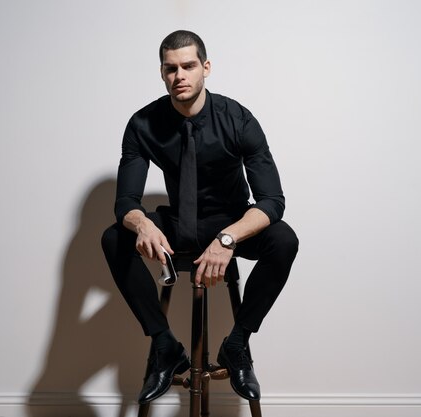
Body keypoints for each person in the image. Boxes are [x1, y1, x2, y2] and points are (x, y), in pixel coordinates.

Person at [101, 30, 298, 404]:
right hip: (179, 224)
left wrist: (228, 240)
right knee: (114, 237)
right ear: (162, 73)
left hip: (231, 223)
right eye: (170, 68)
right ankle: (165, 345)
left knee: (285, 240)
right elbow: (125, 200)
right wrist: (141, 223)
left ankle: (237, 345)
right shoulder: (143, 124)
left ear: (205, 68)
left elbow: (272, 200)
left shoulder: (238, 120)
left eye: (188, 66)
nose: (180, 76)